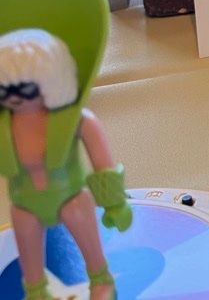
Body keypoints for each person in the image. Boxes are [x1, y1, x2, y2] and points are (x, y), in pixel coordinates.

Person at [0, 25, 132, 300]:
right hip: (24, 203)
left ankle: (101, 279)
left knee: (79, 218)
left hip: (70, 196)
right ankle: (36, 290)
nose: (13, 97)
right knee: (25, 229)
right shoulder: (5, 125)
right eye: (4, 89)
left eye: (25, 88)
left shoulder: (75, 120)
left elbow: (103, 164)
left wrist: (114, 202)